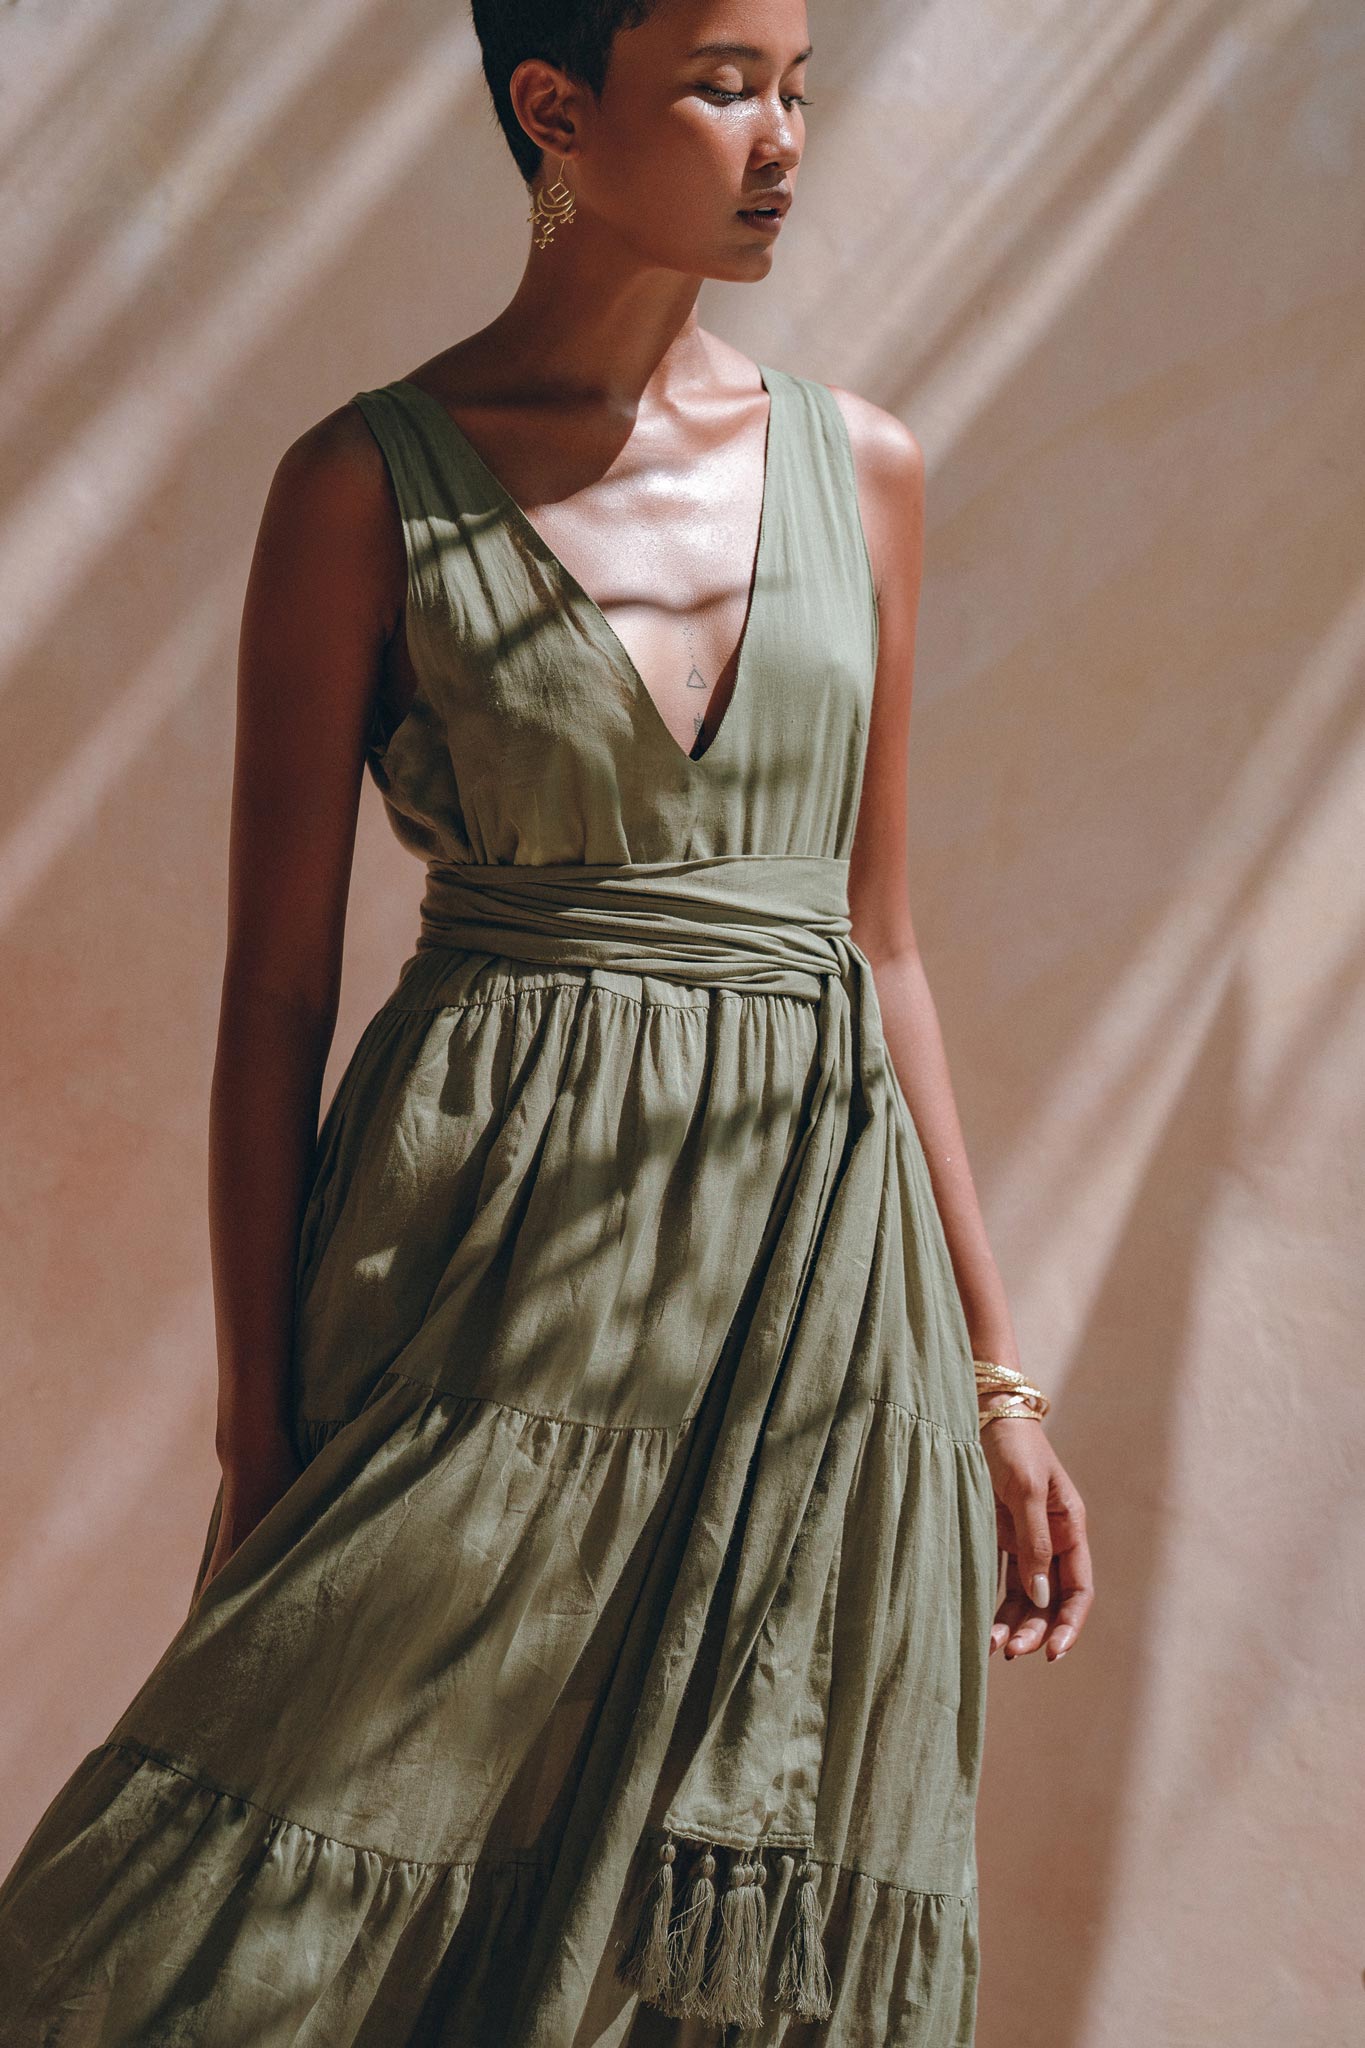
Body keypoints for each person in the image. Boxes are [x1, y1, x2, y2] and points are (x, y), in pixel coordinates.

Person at [0, 1, 1095, 2041]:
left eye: (796, 85)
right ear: (552, 109)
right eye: (720, 82)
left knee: (731, 1929)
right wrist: (260, 1431)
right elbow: (270, 997)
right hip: (488, 1269)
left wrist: (995, 1374)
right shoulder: (361, 486)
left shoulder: (864, 472)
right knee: (268, 1873)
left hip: (814, 1291)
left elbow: (878, 942)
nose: (780, 136)